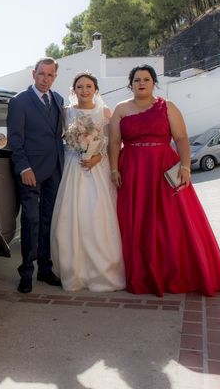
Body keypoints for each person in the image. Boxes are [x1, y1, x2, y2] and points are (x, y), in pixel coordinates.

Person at [108, 64, 220, 297]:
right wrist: (114, 169)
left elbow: (182, 137)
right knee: (137, 221)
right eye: (137, 80)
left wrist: (185, 166)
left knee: (173, 222)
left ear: (154, 82)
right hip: (133, 170)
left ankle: (178, 272)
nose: (141, 83)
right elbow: (114, 142)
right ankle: (143, 274)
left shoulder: (167, 107)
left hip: (164, 168)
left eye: (146, 79)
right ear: (130, 84)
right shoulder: (121, 109)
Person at [50, 73, 125, 292]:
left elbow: (113, 142)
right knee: (72, 216)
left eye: (89, 86)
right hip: (74, 166)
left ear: (95, 89)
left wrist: (97, 157)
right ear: (74, 90)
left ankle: (104, 270)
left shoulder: (105, 112)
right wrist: (80, 150)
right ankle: (74, 271)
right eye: (80, 86)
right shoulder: (66, 112)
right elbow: (61, 138)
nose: (84, 90)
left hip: (98, 167)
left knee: (98, 216)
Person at [7, 57, 64, 293]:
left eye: (50, 75)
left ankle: (45, 269)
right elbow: (15, 139)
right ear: (33, 74)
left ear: (55, 77)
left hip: (55, 169)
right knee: (31, 221)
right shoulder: (19, 101)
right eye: (42, 74)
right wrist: (24, 168)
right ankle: (26, 272)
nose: (45, 79)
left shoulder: (59, 99)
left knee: (49, 220)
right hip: (30, 171)